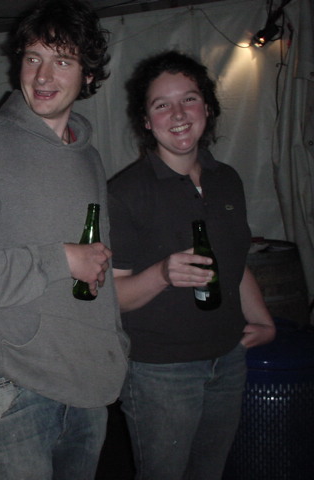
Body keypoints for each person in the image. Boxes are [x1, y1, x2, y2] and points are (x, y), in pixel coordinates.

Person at [0, 1, 128, 479]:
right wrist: (61, 260)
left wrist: (114, 345)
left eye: (63, 60)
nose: (42, 75)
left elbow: (98, 268)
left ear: (89, 75)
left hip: (84, 379)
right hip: (8, 380)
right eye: (33, 57)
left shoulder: (89, 158)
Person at [108, 50, 275, 480]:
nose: (178, 114)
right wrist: (163, 274)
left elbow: (235, 262)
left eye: (189, 99)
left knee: (210, 472)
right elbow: (111, 297)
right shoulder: (124, 192)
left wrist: (263, 320)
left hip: (229, 358)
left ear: (208, 108)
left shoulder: (227, 179)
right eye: (161, 104)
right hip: (161, 371)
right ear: (146, 121)